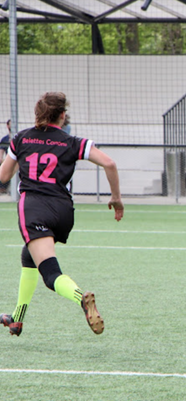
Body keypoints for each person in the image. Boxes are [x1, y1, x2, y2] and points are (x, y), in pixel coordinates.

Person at [0, 92, 124, 337]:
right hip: (63, 211)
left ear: (38, 114)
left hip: (34, 209)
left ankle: (81, 299)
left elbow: (4, 177)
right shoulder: (72, 141)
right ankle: (17, 319)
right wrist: (116, 199)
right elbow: (109, 163)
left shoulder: (21, 139)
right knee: (29, 256)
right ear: (62, 116)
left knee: (50, 273)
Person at [0, 119, 11, 193]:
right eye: (10, 124)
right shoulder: (4, 139)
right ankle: (2, 188)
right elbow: (0, 156)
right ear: (7, 126)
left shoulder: (19, 138)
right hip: (9, 162)